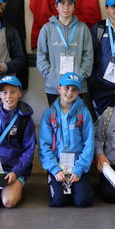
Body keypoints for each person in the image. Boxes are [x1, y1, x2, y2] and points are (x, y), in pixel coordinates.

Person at [0, 76, 36, 209]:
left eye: (13, 92)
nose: (9, 96)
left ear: (20, 94)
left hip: (13, 169)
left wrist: (16, 172)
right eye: (4, 92)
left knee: (8, 202)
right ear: (0, 95)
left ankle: (13, 189)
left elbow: (28, 151)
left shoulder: (25, 120)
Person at [39, 72, 95, 208]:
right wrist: (55, 169)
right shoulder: (48, 114)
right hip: (58, 166)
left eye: (74, 89)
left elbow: (89, 144)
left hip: (77, 166)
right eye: (66, 88)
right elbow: (44, 145)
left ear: (79, 91)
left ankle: (79, 189)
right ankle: (57, 186)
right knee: (59, 201)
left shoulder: (84, 113)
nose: (70, 93)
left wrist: (79, 169)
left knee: (82, 201)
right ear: (59, 88)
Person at [37, 0, 94, 107]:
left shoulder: (83, 28)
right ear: (56, 7)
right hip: (54, 86)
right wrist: (50, 74)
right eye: (62, 3)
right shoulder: (47, 29)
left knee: (77, 121)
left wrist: (81, 74)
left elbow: (88, 55)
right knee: (56, 121)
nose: (66, 7)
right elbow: (41, 55)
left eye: (70, 3)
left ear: (74, 7)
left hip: (77, 85)